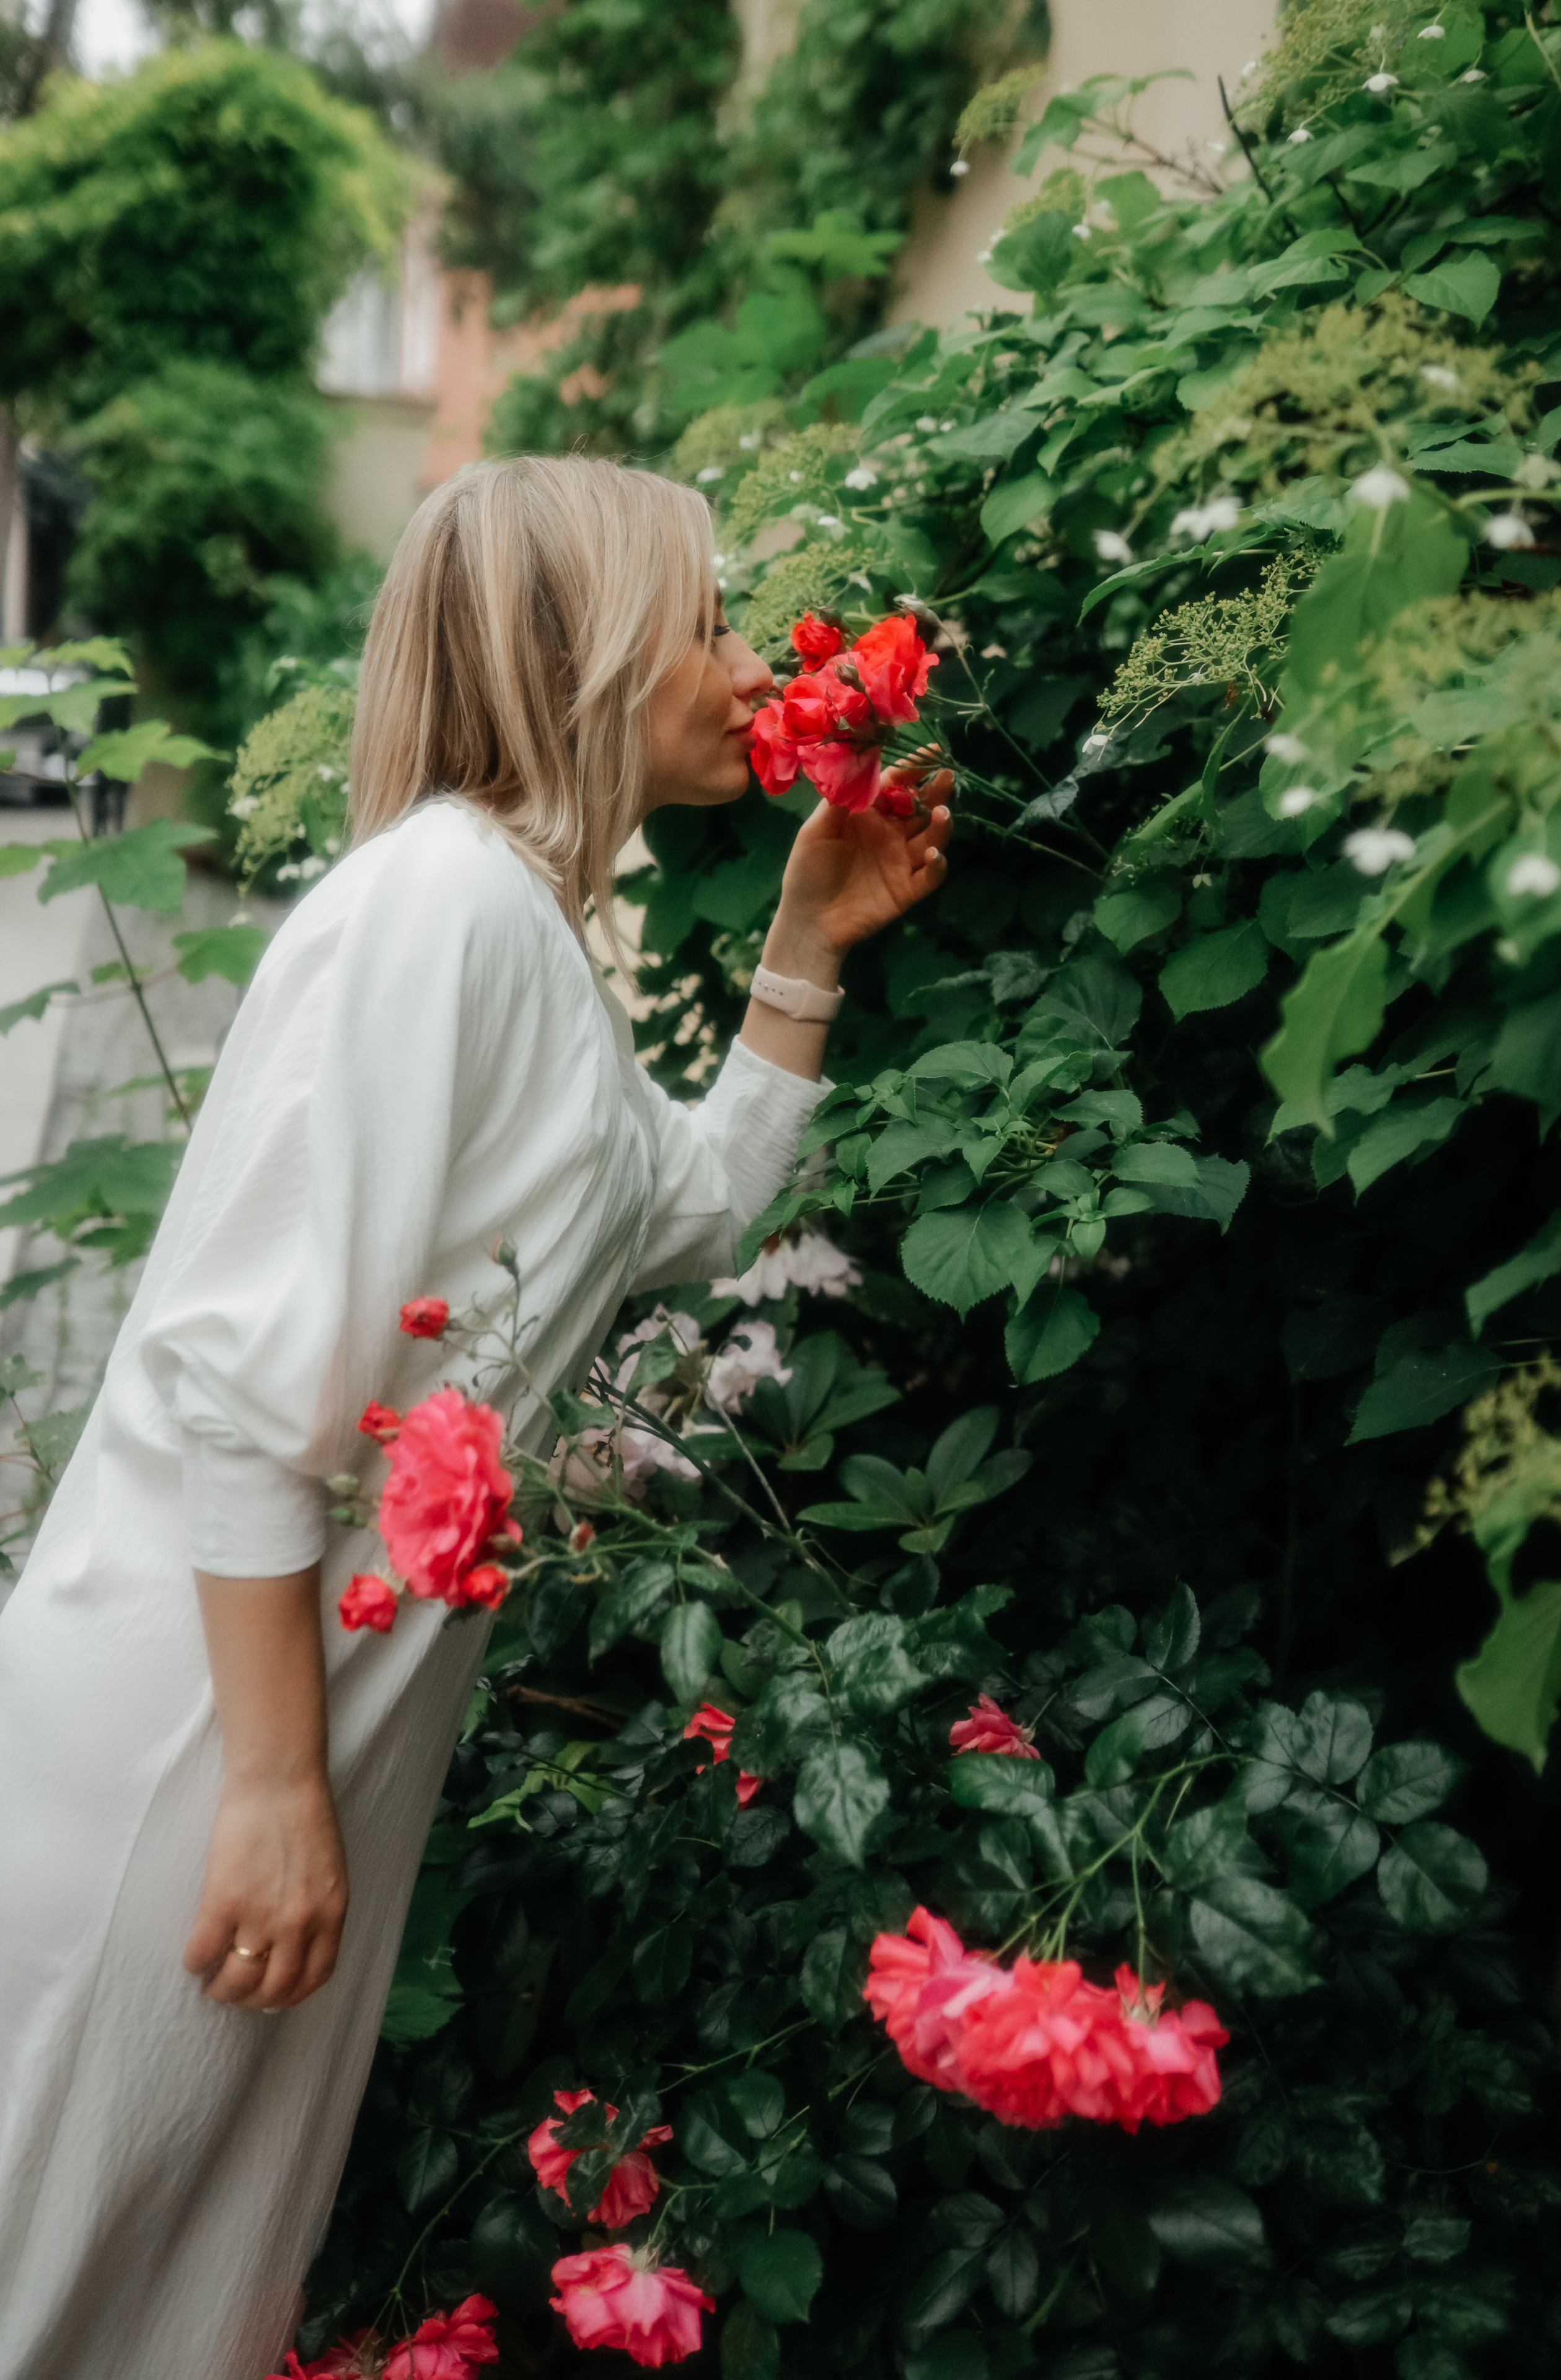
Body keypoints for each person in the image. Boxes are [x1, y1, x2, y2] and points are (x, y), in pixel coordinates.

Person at [0, 455, 953, 2379]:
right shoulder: (436, 906)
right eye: (703, 621)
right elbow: (240, 1385)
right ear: (586, 651)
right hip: (194, 1751)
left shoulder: (522, 928)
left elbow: (682, 1214)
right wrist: (273, 1787)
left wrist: (804, 948)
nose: (747, 665)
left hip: (288, 1744)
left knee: (139, 2298)